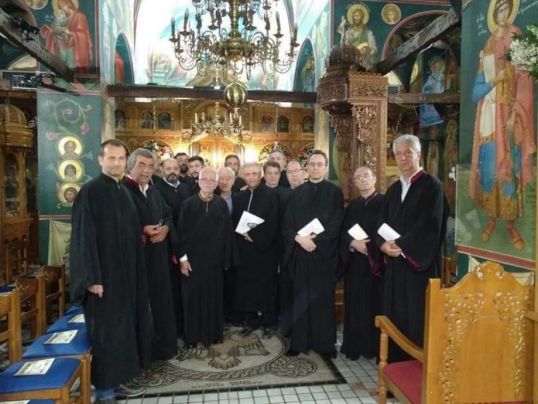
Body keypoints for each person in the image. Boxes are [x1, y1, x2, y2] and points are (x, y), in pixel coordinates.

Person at [70, 139, 150, 403]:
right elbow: (83, 237)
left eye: (120, 158)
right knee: (106, 333)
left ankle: (120, 380)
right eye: (111, 158)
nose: (116, 163)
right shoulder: (90, 191)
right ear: (100, 160)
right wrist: (92, 278)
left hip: (125, 276)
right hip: (103, 278)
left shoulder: (123, 190)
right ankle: (104, 389)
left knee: (123, 330)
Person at [469, 0, 535, 251]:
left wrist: (514, 114)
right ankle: (492, 219)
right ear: (495, 14)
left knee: (509, 167)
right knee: (488, 169)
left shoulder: (516, 38)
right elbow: (475, 92)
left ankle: (510, 223)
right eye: (500, 10)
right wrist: (492, 81)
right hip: (489, 119)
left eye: (508, 9)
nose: (504, 14)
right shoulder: (487, 45)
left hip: (509, 117)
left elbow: (524, 83)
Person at [376, 134, 447, 361]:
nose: (403, 158)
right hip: (395, 266)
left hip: (418, 267)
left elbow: (429, 225)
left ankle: (416, 370)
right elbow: (380, 222)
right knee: (395, 315)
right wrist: (383, 245)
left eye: (408, 152)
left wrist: (400, 245)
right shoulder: (394, 189)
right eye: (398, 154)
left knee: (416, 317)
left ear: (419, 154)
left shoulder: (432, 186)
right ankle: (395, 368)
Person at [282, 150, 344, 357]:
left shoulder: (334, 192)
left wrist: (316, 242)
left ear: (325, 168)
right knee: (300, 298)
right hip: (300, 253)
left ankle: (324, 344)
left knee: (323, 300)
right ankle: (299, 343)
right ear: (306, 168)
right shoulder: (296, 193)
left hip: (323, 255)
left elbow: (336, 223)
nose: (316, 167)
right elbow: (288, 223)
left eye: (320, 164)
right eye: (312, 164)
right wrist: (300, 239)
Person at [122, 148, 178, 361]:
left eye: (150, 166)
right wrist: (141, 230)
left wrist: (165, 229)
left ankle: (162, 348)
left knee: (161, 302)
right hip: (136, 260)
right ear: (130, 166)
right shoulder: (123, 191)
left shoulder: (153, 190)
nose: (146, 170)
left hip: (158, 259)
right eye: (142, 165)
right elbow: (117, 226)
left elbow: (168, 214)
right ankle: (142, 354)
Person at [177, 167, 233, 347]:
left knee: (214, 298)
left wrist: (226, 259)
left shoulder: (221, 204)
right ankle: (193, 337)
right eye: (205, 179)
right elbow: (180, 233)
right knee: (192, 300)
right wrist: (183, 260)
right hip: (193, 262)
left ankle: (213, 334)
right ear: (198, 182)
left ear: (216, 184)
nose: (208, 182)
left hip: (214, 262)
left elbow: (227, 233)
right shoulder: (188, 204)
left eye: (212, 180)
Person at [339, 166, 384, 360]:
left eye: (366, 176)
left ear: (374, 179)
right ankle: (354, 346)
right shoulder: (352, 207)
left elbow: (388, 232)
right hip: (354, 265)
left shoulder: (385, 203)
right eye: (358, 177)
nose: (363, 179)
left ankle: (373, 348)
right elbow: (343, 232)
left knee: (374, 304)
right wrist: (352, 243)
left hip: (376, 266)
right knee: (355, 305)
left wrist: (370, 247)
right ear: (355, 183)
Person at [232, 163, 280, 338]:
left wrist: (254, 236)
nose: (251, 177)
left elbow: (274, 222)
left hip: (265, 250)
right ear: (243, 176)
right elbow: (235, 221)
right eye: (248, 174)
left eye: (254, 173)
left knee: (266, 286)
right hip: (245, 250)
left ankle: (269, 322)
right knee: (247, 286)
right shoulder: (239, 197)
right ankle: (250, 320)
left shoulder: (271, 195)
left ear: (260, 175)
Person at [153, 158, 190, 338]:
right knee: (172, 288)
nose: (173, 171)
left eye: (175, 168)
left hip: (188, 243)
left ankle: (187, 324)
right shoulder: (156, 190)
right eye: (168, 168)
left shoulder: (186, 188)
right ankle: (175, 327)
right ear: (162, 170)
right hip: (168, 246)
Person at [338, 5, 377, 69]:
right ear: (353, 17)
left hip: (365, 63)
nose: (357, 18)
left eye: (359, 16)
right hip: (351, 61)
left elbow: (373, 49)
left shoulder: (368, 32)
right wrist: (343, 32)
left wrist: (367, 54)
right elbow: (344, 46)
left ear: (362, 18)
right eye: (355, 16)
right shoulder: (348, 32)